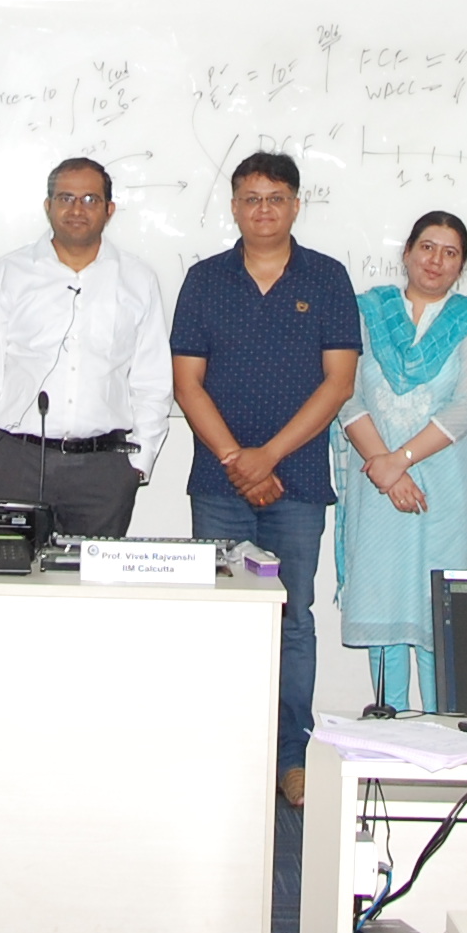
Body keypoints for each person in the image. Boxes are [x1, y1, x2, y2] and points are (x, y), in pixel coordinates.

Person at [170, 151, 360, 807]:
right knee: (219, 619)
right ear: (233, 207)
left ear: (296, 205)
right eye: (250, 198)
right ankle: (223, 753)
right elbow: (187, 384)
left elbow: (339, 383)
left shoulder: (327, 278)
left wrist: (268, 457)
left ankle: (291, 757)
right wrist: (237, 460)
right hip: (218, 485)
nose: (263, 210)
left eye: (275, 198)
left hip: (297, 484)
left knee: (293, 621)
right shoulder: (204, 280)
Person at [333, 210, 467, 712]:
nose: (436, 261)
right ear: (407, 252)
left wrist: (401, 460)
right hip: (375, 482)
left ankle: (440, 726)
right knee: (382, 597)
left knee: (437, 609)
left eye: (450, 253)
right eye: (427, 247)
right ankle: (387, 723)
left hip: (444, 487)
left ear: (462, 265)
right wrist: (386, 468)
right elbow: (345, 393)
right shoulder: (366, 313)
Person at [0, 159, 174, 537]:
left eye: (90, 199)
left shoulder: (137, 279)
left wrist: (140, 462)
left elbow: (153, 380)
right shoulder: (9, 274)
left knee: (92, 577)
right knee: (9, 573)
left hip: (103, 470)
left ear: (109, 209)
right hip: (18, 463)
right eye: (65, 198)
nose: (76, 209)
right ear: (48, 206)